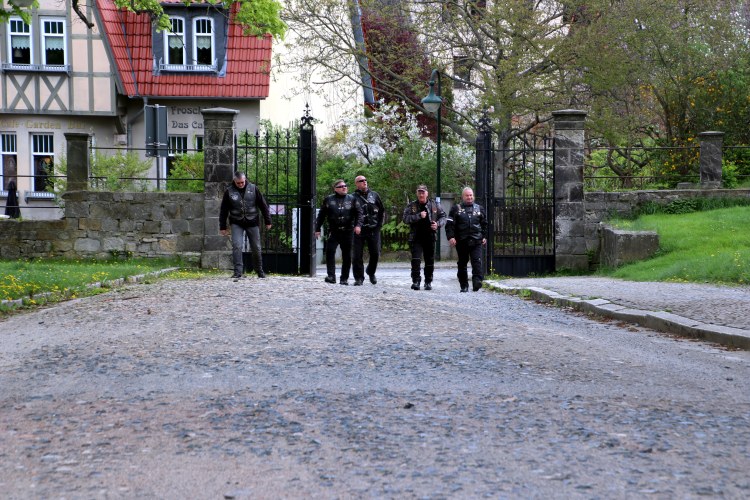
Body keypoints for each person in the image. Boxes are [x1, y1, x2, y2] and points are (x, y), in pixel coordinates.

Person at [219, 171, 272, 279]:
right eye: (238, 183)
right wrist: (222, 226)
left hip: (252, 221)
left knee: (256, 247)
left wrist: (268, 221)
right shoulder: (229, 191)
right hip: (236, 221)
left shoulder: (253, 188)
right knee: (237, 246)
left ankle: (259, 270)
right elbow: (224, 210)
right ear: (234, 181)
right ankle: (238, 272)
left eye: (242, 182)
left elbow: (263, 205)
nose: (241, 185)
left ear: (245, 179)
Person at [315, 179, 364, 285]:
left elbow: (359, 214)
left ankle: (344, 278)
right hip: (334, 231)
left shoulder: (352, 199)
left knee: (346, 256)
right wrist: (317, 229)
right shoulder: (328, 200)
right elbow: (321, 215)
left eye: (345, 186)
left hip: (348, 231)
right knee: (330, 252)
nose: (344, 187)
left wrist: (358, 225)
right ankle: (331, 276)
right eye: (341, 186)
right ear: (335, 189)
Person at [402, 184, 446, 290]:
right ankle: (416, 281)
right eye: (419, 192)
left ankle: (428, 282)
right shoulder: (412, 206)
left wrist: (438, 224)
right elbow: (405, 219)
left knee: (429, 261)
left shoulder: (434, 205)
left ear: (427, 193)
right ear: (417, 193)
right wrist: (418, 216)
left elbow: (443, 217)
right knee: (416, 260)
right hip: (416, 237)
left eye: (423, 192)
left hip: (429, 236)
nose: (421, 194)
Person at [446, 187, 488, 292]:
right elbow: (449, 225)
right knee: (462, 263)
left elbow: (485, 224)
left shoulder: (480, 208)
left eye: (471, 195)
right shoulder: (455, 209)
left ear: (473, 196)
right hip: (461, 241)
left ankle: (477, 281)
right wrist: (451, 237)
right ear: (463, 196)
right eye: (467, 195)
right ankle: (464, 285)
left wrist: (484, 236)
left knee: (477, 261)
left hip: (476, 240)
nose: (469, 197)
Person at [352, 175, 385, 286]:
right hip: (359, 230)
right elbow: (350, 214)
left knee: (375, 253)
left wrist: (379, 225)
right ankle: (359, 278)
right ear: (356, 184)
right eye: (361, 181)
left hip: (373, 228)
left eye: (365, 180)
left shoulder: (374, 195)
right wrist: (354, 226)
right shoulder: (352, 197)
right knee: (357, 255)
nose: (364, 182)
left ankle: (371, 272)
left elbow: (381, 210)